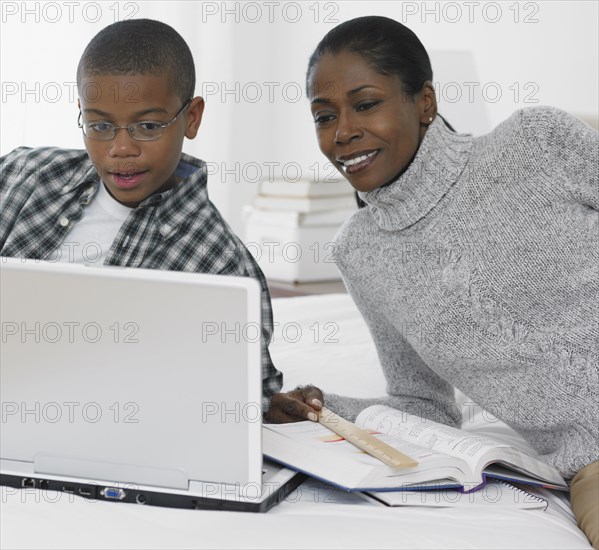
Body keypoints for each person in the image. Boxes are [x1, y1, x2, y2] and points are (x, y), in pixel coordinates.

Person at [268, 15, 598, 548]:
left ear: (425, 102)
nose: (343, 131)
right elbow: (425, 406)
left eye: (366, 103)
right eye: (324, 116)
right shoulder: (359, 252)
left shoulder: (537, 143)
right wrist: (322, 407)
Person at [0, 18, 282, 415]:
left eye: (147, 126)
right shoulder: (24, 176)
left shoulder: (222, 265)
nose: (120, 148)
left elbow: (249, 399)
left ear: (192, 118)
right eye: (100, 125)